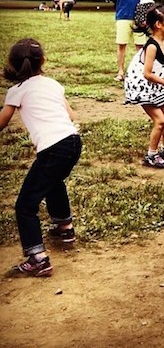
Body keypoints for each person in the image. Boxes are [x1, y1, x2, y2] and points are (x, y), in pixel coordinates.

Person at [0, 39, 81, 277]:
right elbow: (71, 115)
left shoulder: (16, 91)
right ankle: (64, 227)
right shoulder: (52, 84)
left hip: (53, 148)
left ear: (13, 65)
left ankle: (38, 259)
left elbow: (2, 122)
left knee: (25, 205)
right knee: (53, 181)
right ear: (42, 61)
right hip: (73, 142)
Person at [124, 5, 164, 168]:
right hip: (141, 87)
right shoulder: (152, 46)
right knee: (160, 120)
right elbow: (147, 73)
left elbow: (158, 70)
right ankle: (151, 155)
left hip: (155, 85)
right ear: (158, 24)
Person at [113, 0, 150, 81]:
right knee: (121, 45)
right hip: (123, 16)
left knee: (140, 46)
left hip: (139, 16)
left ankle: (139, 71)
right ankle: (120, 71)